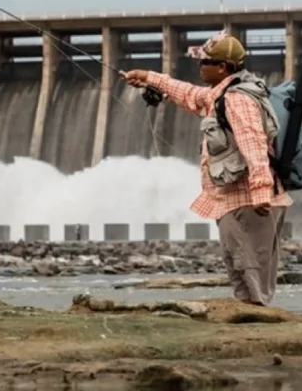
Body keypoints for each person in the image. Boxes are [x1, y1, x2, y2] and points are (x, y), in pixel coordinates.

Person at [120, 30, 291, 306]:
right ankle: (249, 315)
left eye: (205, 62)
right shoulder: (219, 95)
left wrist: (262, 191)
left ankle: (258, 319)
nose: (200, 66)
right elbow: (189, 94)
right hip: (232, 198)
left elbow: (254, 144)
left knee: (250, 265)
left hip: (249, 200)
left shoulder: (237, 99)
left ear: (223, 67)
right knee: (238, 260)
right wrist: (149, 78)